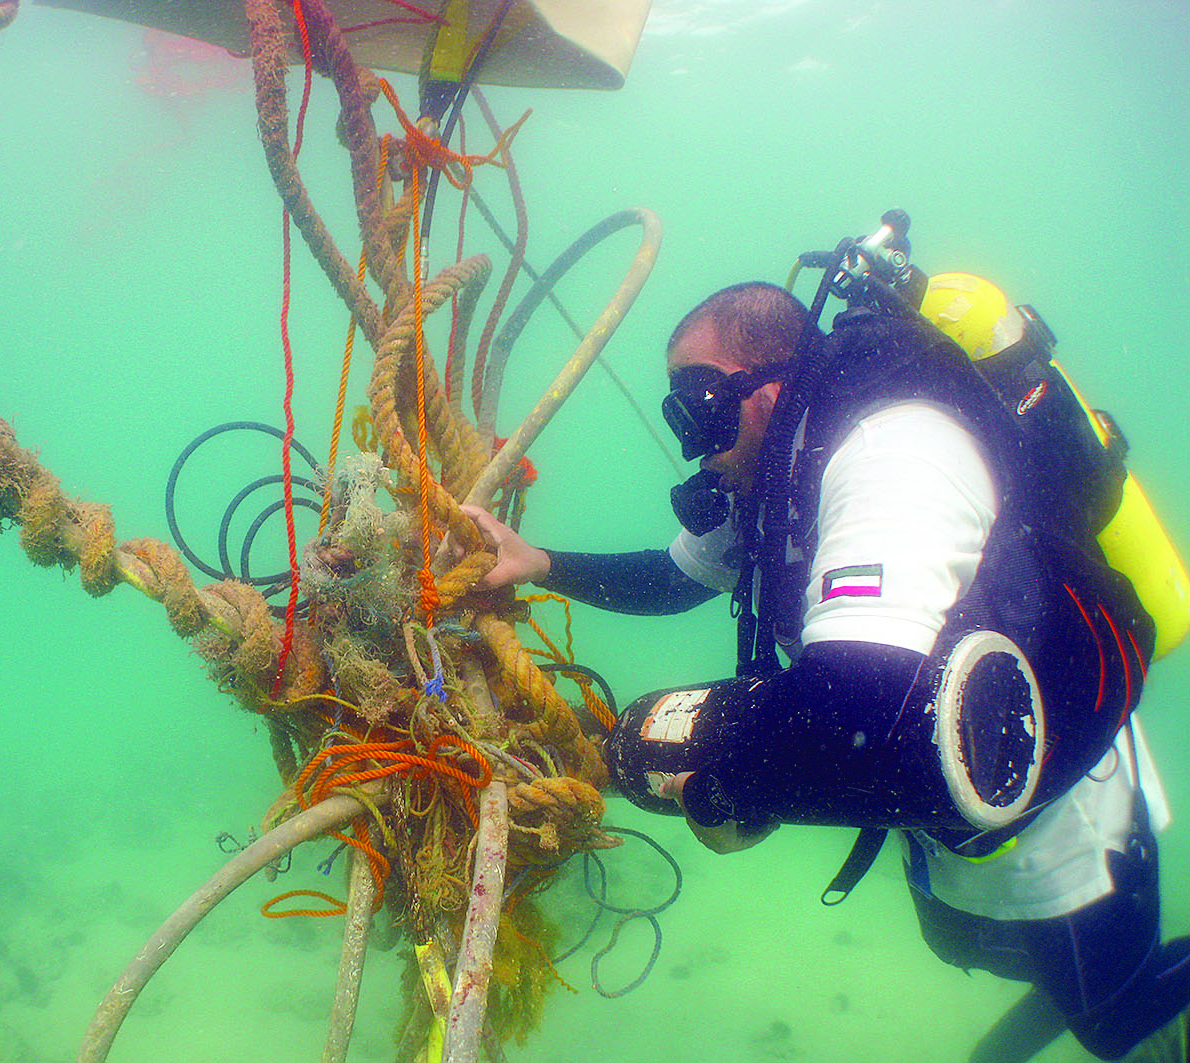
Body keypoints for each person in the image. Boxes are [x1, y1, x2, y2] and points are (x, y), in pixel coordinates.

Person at [463, 278, 1190, 1061]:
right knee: (971, 945)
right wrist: (536, 562)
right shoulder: (771, 474)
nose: (692, 440)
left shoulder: (894, 451)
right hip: (949, 805)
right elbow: (674, 577)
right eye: (679, 414)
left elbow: (857, 707)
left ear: (768, 385)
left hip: (1059, 809)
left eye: (698, 403)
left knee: (1110, 1020)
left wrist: (708, 785)